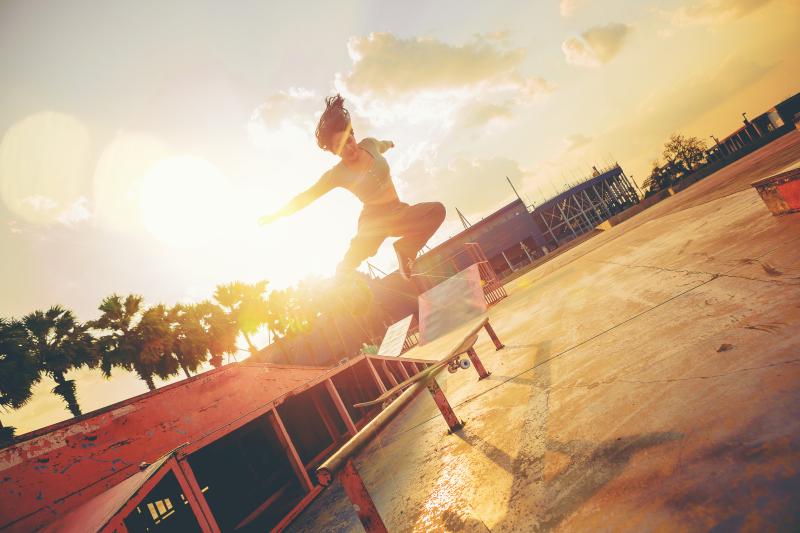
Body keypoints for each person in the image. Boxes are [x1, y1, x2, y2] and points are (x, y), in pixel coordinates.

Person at [259, 94, 445, 280]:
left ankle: (406, 249)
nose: (348, 148)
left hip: (398, 211)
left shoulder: (370, 144)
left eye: (348, 140)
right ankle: (339, 281)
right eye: (340, 147)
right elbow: (306, 196)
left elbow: (382, 145)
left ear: (353, 135)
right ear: (333, 152)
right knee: (354, 257)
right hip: (373, 220)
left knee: (437, 211)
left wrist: (390, 143)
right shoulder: (336, 175)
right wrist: (276, 215)